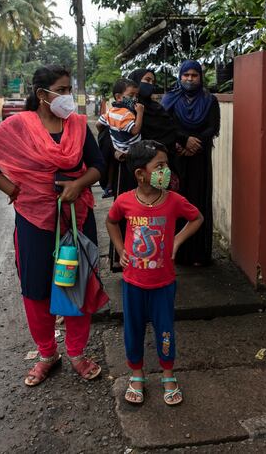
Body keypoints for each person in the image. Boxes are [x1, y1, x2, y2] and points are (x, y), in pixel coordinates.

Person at [0, 65, 107, 387]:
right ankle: (48, 353)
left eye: (68, 89)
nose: (67, 97)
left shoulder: (76, 125)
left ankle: (76, 352)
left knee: (76, 282)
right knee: (35, 287)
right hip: (34, 219)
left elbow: (99, 165)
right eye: (61, 90)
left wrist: (78, 185)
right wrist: (14, 190)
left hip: (76, 217)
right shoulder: (19, 125)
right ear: (41, 95)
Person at [106, 140, 203, 406]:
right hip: (133, 283)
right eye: (160, 166)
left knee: (165, 330)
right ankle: (136, 374)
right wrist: (118, 248)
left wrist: (177, 241)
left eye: (167, 166)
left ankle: (168, 375)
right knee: (133, 330)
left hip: (164, 283)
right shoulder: (125, 201)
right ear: (140, 174)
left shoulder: (173, 201)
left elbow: (197, 218)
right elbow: (111, 221)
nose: (166, 171)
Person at [161, 60, 220, 267]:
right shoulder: (169, 99)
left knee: (196, 201)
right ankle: (175, 253)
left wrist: (194, 144)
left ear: (200, 77)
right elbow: (164, 125)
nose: (190, 79)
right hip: (175, 158)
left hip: (199, 158)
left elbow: (212, 127)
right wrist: (182, 141)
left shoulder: (209, 100)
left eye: (194, 75)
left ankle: (198, 254)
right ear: (180, 76)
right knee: (175, 201)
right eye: (186, 75)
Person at [128, 68, 179, 159]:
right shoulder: (127, 109)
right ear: (135, 82)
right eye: (147, 80)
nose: (151, 84)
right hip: (138, 162)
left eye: (153, 82)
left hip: (161, 161)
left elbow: (171, 130)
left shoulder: (157, 108)